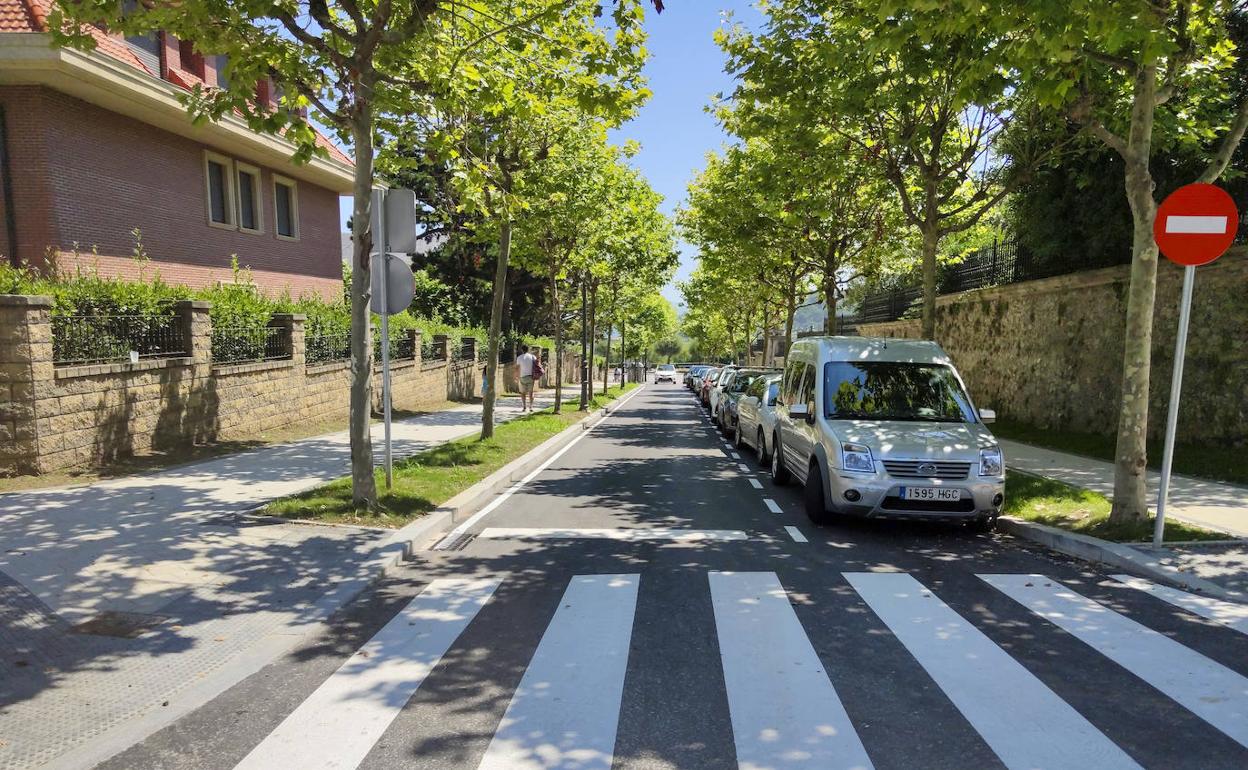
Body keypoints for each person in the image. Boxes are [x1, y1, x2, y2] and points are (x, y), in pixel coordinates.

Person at [516, 345, 538, 412]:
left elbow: (518, 368)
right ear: (528, 350)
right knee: (531, 392)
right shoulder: (532, 357)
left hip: (522, 377)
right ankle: (531, 407)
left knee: (523, 393)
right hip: (531, 376)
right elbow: (536, 365)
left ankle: (524, 407)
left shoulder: (519, 357)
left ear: (522, 350)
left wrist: (517, 376)